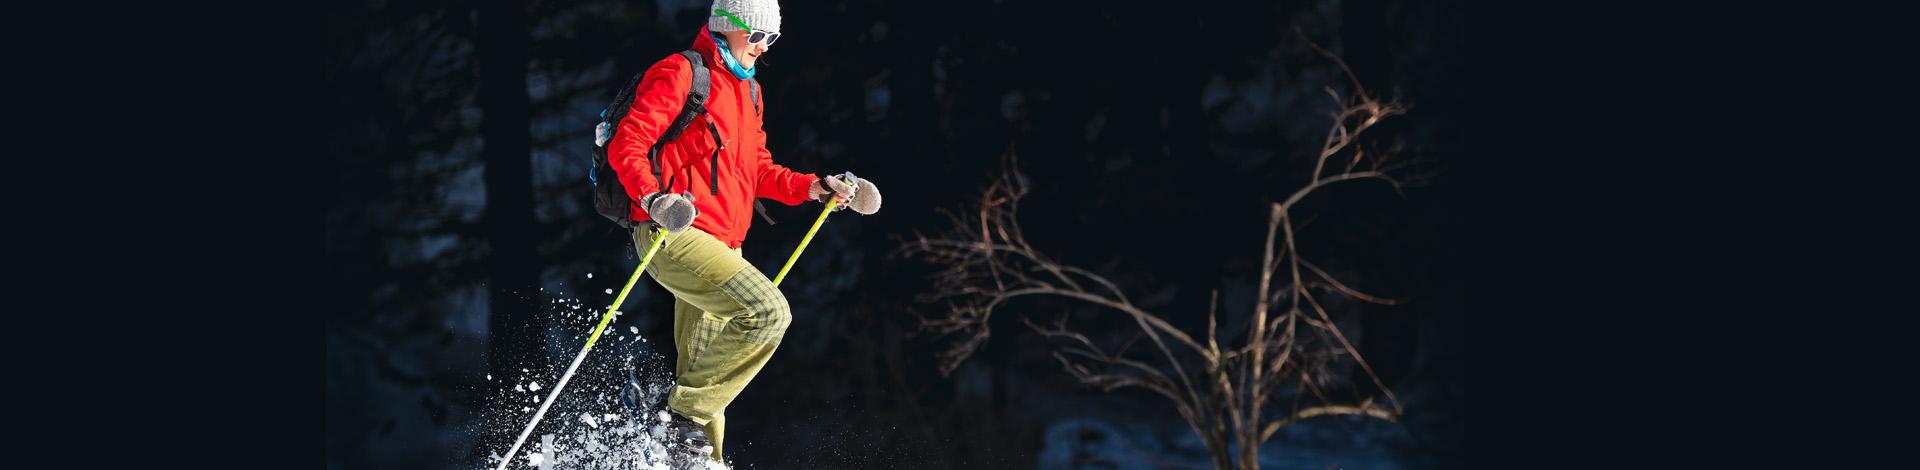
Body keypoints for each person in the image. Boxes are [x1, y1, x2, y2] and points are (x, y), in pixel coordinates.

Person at [606, 0, 878, 465]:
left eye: (771, 38)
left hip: (722, 244)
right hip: (673, 232)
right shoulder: (681, 73)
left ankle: (689, 456)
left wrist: (814, 187)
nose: (762, 47)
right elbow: (627, 142)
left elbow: (758, 169)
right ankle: (675, 419)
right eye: (756, 36)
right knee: (768, 313)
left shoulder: (748, 91)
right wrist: (655, 199)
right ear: (726, 27)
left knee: (706, 380)